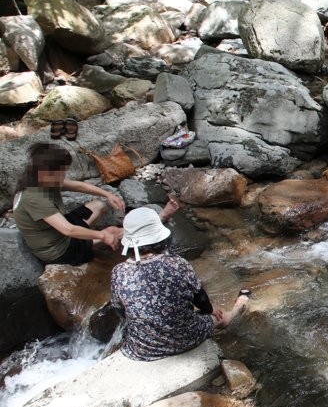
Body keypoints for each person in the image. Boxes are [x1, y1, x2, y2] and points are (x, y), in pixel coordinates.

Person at [111, 207, 250, 362]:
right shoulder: (177, 263)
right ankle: (239, 305)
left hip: (144, 348)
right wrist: (210, 311)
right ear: (160, 239)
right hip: (185, 339)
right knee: (222, 318)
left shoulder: (119, 271)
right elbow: (200, 298)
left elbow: (120, 310)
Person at [13, 142, 125, 265]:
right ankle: (101, 239)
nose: (64, 175)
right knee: (113, 233)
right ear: (49, 172)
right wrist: (103, 235)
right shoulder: (34, 198)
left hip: (55, 230)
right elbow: (68, 230)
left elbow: (79, 186)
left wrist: (108, 194)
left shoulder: (40, 178)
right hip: (57, 250)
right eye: (62, 172)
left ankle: (92, 236)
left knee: (99, 205)